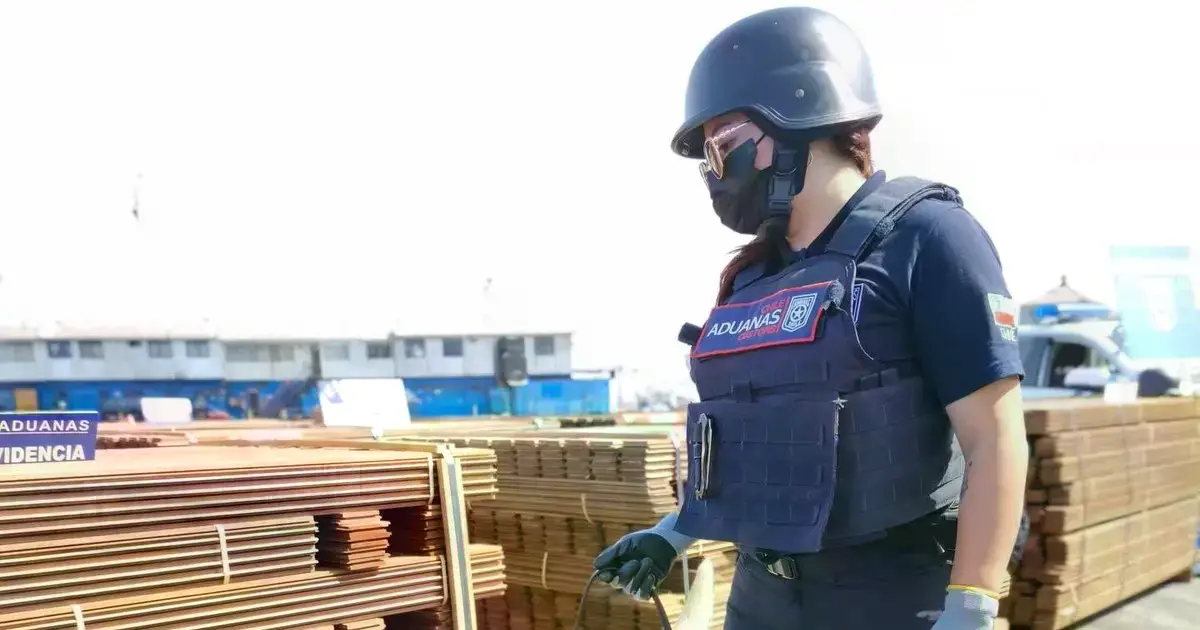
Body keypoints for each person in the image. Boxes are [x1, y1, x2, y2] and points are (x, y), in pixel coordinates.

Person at [591, 7, 1029, 630]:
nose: (714, 176)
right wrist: (675, 531)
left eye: (719, 149)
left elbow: (994, 437)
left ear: (797, 118)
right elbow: (747, 438)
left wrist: (973, 602)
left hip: (890, 595)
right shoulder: (754, 278)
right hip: (764, 598)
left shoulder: (929, 238)